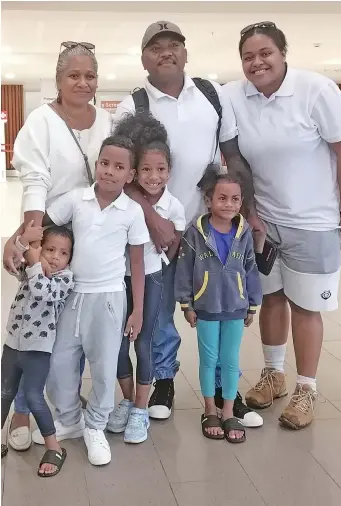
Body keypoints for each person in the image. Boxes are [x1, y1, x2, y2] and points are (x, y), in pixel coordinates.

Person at [114, 20, 264, 426]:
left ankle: (223, 394)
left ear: (185, 52)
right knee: (161, 312)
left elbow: (232, 157)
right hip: (155, 234)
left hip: (209, 229)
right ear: (144, 57)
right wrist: (156, 222)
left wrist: (246, 211)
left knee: (220, 312)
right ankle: (164, 379)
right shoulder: (134, 105)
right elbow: (122, 173)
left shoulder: (211, 96)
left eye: (173, 45)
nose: (166, 51)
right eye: (156, 46)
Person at [222, 21, 341, 429]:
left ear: (283, 54)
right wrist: (251, 211)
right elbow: (234, 158)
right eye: (248, 56)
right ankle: (273, 374)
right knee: (272, 299)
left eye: (266, 53)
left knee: (306, 306)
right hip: (265, 221)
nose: (257, 62)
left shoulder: (317, 90)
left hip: (314, 222)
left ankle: (306, 388)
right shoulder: (232, 95)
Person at [2, 41, 112, 450]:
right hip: (52, 238)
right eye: (74, 75)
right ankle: (20, 410)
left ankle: (66, 401)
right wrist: (27, 239)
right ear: (58, 80)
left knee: (77, 325)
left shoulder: (107, 123)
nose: (83, 83)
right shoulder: (41, 121)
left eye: (90, 76)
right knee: (38, 322)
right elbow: (35, 181)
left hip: (96, 239)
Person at [32, 135, 150, 466]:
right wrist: (22, 245)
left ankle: (96, 425)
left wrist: (137, 309)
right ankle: (70, 418)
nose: (109, 171)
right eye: (104, 163)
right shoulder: (75, 199)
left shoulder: (132, 211)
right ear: (96, 164)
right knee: (59, 362)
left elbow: (137, 264)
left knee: (103, 365)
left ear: (130, 174)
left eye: (119, 166)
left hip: (109, 299)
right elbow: (41, 225)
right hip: (70, 294)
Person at [107, 112, 186, 443]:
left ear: (170, 171)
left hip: (151, 280)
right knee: (116, 344)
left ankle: (141, 407)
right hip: (115, 280)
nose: (154, 177)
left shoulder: (175, 207)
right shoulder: (122, 201)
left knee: (144, 340)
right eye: (146, 170)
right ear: (134, 172)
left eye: (162, 170)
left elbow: (172, 253)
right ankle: (126, 400)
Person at [175, 165, 262, 442]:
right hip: (207, 309)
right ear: (209, 200)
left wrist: (251, 304)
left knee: (230, 359)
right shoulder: (195, 234)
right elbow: (184, 270)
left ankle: (228, 411)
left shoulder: (244, 233)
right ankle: (209, 409)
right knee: (209, 359)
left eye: (235, 199)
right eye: (222, 198)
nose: (228, 204)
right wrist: (186, 305)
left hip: (235, 308)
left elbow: (251, 269)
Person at [2, 224, 74, 477]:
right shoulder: (30, 269)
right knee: (4, 394)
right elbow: (11, 264)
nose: (55, 257)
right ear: (40, 249)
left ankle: (54, 447)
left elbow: (42, 291)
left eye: (63, 253)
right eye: (50, 249)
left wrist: (35, 261)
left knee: (33, 397)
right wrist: (23, 243)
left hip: (38, 350)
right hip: (12, 344)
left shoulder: (64, 279)